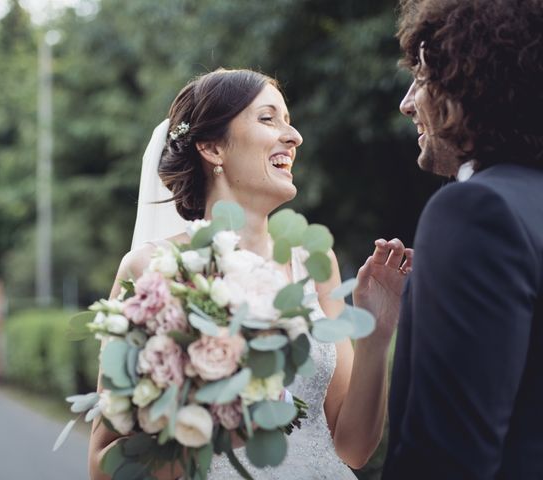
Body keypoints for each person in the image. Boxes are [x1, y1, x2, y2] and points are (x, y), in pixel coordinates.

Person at [88, 68, 409, 479]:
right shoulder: (153, 271)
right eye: (268, 118)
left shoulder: (316, 262)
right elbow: (102, 465)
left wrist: (377, 335)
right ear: (212, 147)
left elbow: (353, 447)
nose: (294, 137)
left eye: (289, 122)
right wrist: (216, 429)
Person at [362, 0, 543, 478]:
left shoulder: (477, 211)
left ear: (472, 82)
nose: (406, 103)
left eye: (420, 78)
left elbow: (446, 457)